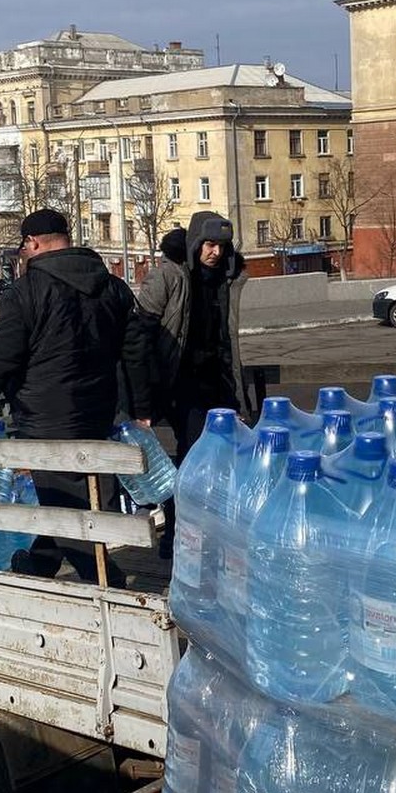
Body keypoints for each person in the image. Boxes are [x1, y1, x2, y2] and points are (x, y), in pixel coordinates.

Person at [0, 208, 153, 585]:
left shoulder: (25, 292)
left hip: (46, 416)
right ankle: (41, 563)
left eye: (22, 248)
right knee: (67, 498)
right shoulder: (112, 286)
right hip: (98, 411)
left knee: (63, 505)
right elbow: (135, 352)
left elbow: (2, 356)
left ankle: (109, 583)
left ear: (32, 243)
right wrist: (142, 408)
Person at [138, 212, 247, 555]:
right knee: (190, 462)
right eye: (209, 244)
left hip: (219, 382)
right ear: (196, 243)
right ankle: (176, 537)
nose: (215, 252)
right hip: (180, 384)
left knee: (225, 461)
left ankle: (213, 537)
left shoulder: (227, 280)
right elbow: (139, 333)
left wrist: (239, 395)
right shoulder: (170, 275)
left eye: (221, 246)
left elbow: (228, 339)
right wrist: (144, 392)